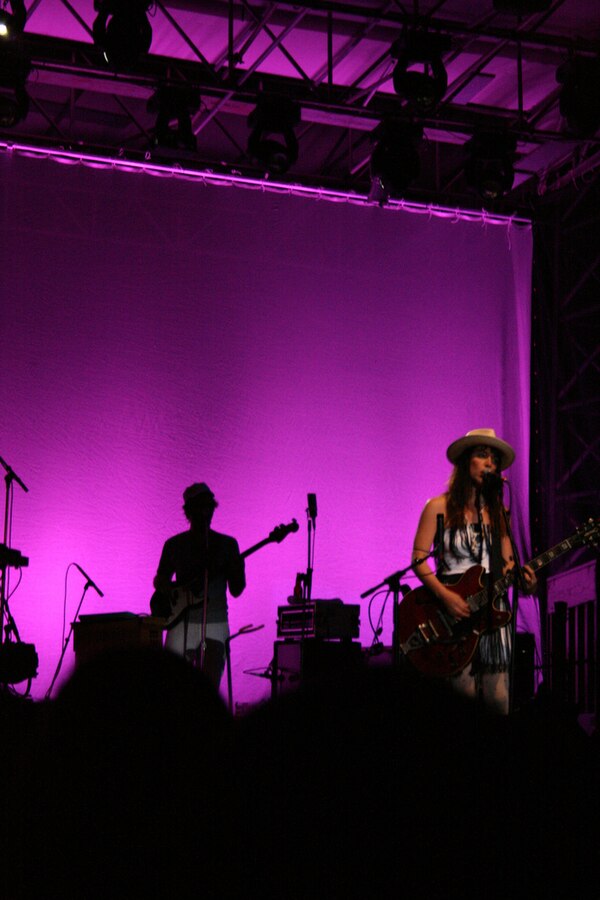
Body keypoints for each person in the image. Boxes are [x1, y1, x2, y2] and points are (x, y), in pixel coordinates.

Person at [411, 428, 536, 714]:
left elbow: (508, 566)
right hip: (453, 610)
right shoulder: (438, 507)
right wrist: (445, 597)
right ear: (466, 462)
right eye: (482, 455)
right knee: (461, 699)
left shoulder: (499, 513)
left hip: (493, 611)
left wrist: (525, 582)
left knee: (498, 699)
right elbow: (418, 558)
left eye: (494, 458)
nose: (491, 463)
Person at [152, 482, 246, 686]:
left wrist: (238, 568)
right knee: (172, 684)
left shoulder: (228, 545)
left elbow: (236, 590)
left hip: (215, 622)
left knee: (208, 686)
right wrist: (176, 592)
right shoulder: (174, 545)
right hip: (180, 623)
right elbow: (160, 581)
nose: (206, 512)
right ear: (189, 511)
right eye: (200, 507)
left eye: (209, 506)